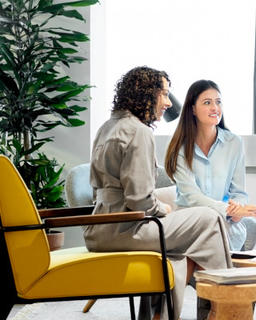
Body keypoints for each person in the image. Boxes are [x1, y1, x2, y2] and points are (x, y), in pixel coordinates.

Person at [84, 67, 232, 320]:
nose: (167, 102)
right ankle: (225, 308)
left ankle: (159, 313)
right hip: (125, 229)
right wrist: (162, 209)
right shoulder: (139, 132)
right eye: (163, 94)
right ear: (145, 94)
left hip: (99, 228)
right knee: (210, 219)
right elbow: (139, 199)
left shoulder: (108, 127)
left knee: (180, 244)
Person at [164, 79, 256, 252]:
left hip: (223, 221)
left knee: (228, 230)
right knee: (215, 232)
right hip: (189, 220)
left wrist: (237, 209)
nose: (215, 108)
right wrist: (228, 210)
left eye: (218, 102)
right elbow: (192, 197)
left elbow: (239, 192)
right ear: (193, 109)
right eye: (207, 102)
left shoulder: (234, 143)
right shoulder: (179, 146)